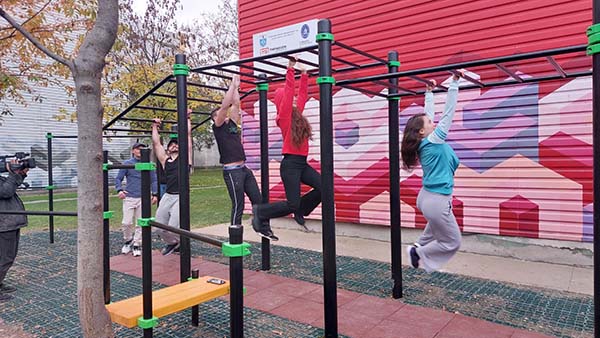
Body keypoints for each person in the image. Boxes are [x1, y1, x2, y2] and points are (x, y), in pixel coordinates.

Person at [402, 72, 462, 272]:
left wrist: (429, 93)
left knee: (436, 226)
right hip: (436, 199)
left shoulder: (424, 141)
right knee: (452, 241)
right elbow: (448, 114)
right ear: (422, 131)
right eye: (430, 124)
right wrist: (454, 84)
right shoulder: (434, 140)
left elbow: (429, 116)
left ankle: (419, 246)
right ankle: (420, 255)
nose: (433, 123)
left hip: (428, 197)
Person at [252, 57, 321, 232]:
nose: (297, 100)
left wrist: (305, 74)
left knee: (324, 186)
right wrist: (290, 70)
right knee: (291, 203)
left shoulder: (297, 115)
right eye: (291, 99)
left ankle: (302, 209)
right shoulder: (284, 116)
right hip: (290, 164)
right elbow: (290, 92)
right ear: (284, 102)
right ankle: (260, 211)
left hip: (301, 163)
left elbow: (302, 95)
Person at [212, 75, 278, 240]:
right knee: (238, 204)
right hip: (232, 171)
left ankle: (263, 228)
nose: (226, 116)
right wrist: (231, 86)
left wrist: (236, 87)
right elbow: (226, 106)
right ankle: (235, 235)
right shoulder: (218, 126)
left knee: (258, 199)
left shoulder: (232, 125)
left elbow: (235, 104)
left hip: (244, 169)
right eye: (221, 114)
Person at [152, 111, 192, 255]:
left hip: (181, 196)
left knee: (174, 225)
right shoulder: (165, 160)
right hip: (168, 195)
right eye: (172, 145)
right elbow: (156, 144)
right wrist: (155, 127)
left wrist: (187, 118)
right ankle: (173, 243)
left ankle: (180, 243)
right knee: (158, 227)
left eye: (176, 144)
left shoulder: (186, 159)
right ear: (168, 149)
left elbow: (187, 137)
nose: (174, 146)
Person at [115, 143, 158, 257]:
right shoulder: (127, 164)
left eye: (142, 149)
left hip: (143, 198)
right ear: (133, 150)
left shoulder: (148, 164)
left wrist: (155, 194)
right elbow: (119, 178)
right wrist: (119, 190)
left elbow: (154, 180)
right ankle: (128, 240)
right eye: (138, 149)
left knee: (140, 222)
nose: (140, 151)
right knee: (126, 222)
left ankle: (137, 243)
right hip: (130, 197)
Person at [0, 160, 29, 302]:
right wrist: (13, 173)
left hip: (8, 223)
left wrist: (20, 175)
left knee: (7, 257)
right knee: (5, 258)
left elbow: (9, 186)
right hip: (3, 225)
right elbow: (5, 192)